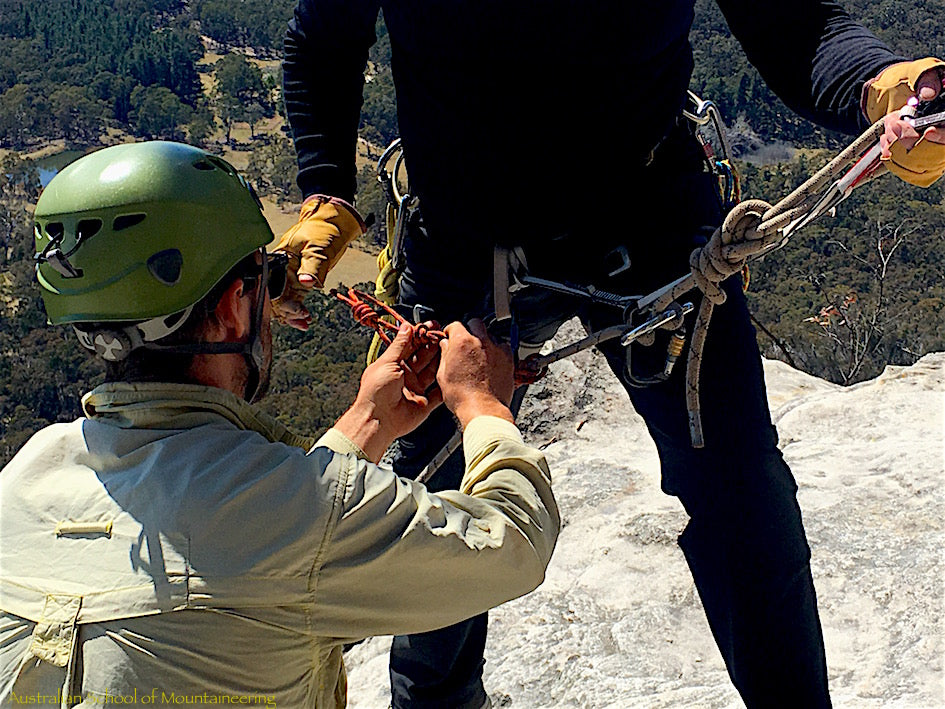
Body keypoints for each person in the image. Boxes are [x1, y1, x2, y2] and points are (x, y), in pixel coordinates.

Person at [277, 1, 945, 707]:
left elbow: (790, 25)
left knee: (737, 485)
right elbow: (325, 36)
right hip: (469, 231)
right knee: (434, 488)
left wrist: (889, 85)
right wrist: (326, 188)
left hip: (643, 217)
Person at [0, 141, 560, 708]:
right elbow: (514, 544)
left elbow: (269, 535)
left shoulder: (27, 474)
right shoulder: (295, 516)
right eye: (266, 276)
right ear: (228, 309)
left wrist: (369, 420)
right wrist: (481, 402)